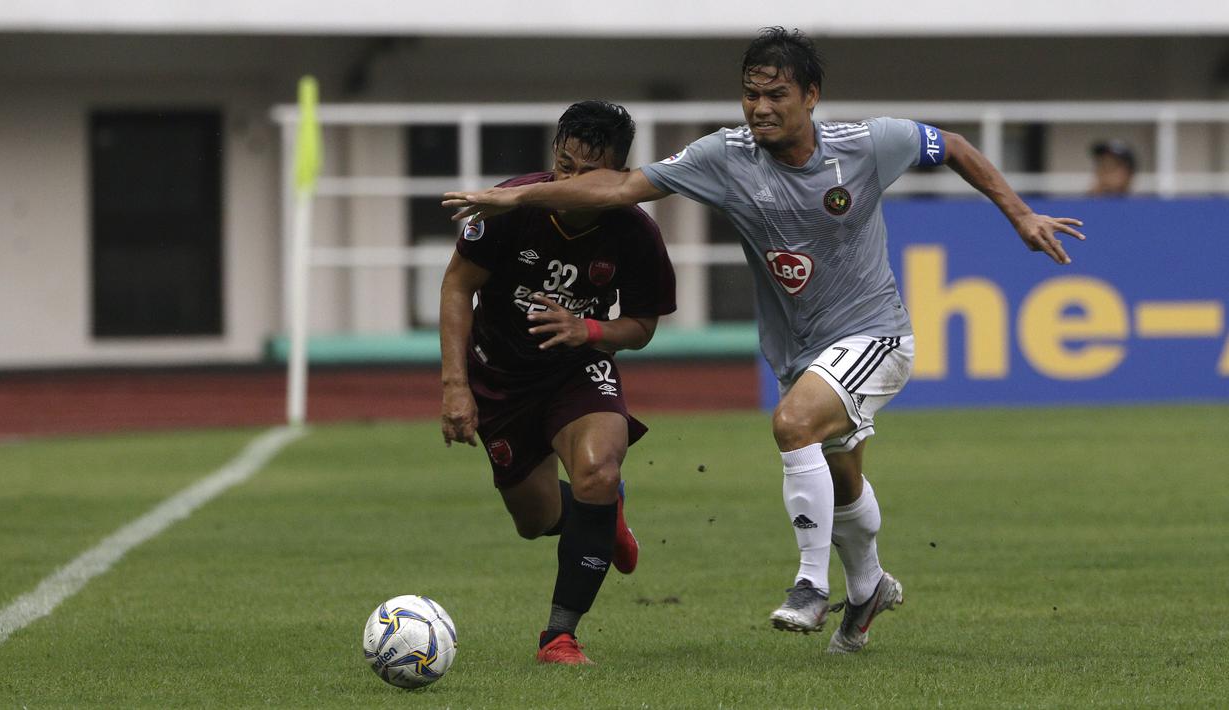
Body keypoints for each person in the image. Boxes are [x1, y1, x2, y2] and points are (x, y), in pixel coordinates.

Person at [443, 28, 1085, 654]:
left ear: (812, 95)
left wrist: (1020, 212)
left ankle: (810, 585)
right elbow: (619, 187)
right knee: (842, 478)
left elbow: (954, 146)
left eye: (776, 94)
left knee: (793, 424)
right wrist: (516, 200)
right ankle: (868, 588)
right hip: (800, 351)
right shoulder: (723, 156)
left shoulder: (866, 144)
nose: (761, 107)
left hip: (875, 331)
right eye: (751, 94)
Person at [439, 100, 677, 665]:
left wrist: (587, 328)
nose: (569, 180)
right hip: (499, 375)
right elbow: (456, 287)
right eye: (563, 164)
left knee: (597, 470)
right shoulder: (508, 206)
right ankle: (602, 520)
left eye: (586, 172)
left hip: (578, 370)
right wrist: (455, 386)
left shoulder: (636, 234)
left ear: (619, 175)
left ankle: (560, 636)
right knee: (536, 519)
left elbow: (641, 327)